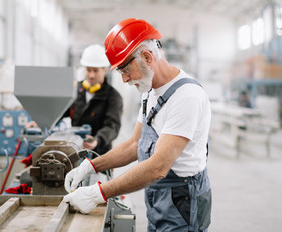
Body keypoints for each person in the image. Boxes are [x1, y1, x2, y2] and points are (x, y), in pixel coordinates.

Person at [63, 18, 212, 232]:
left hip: (184, 201)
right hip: (160, 196)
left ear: (147, 57)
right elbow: (135, 144)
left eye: (125, 70)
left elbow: (158, 167)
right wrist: (92, 165)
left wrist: (99, 193)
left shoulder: (186, 97)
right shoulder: (149, 91)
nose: (124, 80)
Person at [62, 44, 123, 156]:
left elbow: (112, 126)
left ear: (104, 70)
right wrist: (41, 121)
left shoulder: (113, 97)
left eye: (95, 71)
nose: (91, 75)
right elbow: (60, 111)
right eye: (88, 70)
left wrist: (97, 139)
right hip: (74, 150)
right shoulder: (74, 90)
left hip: (100, 154)